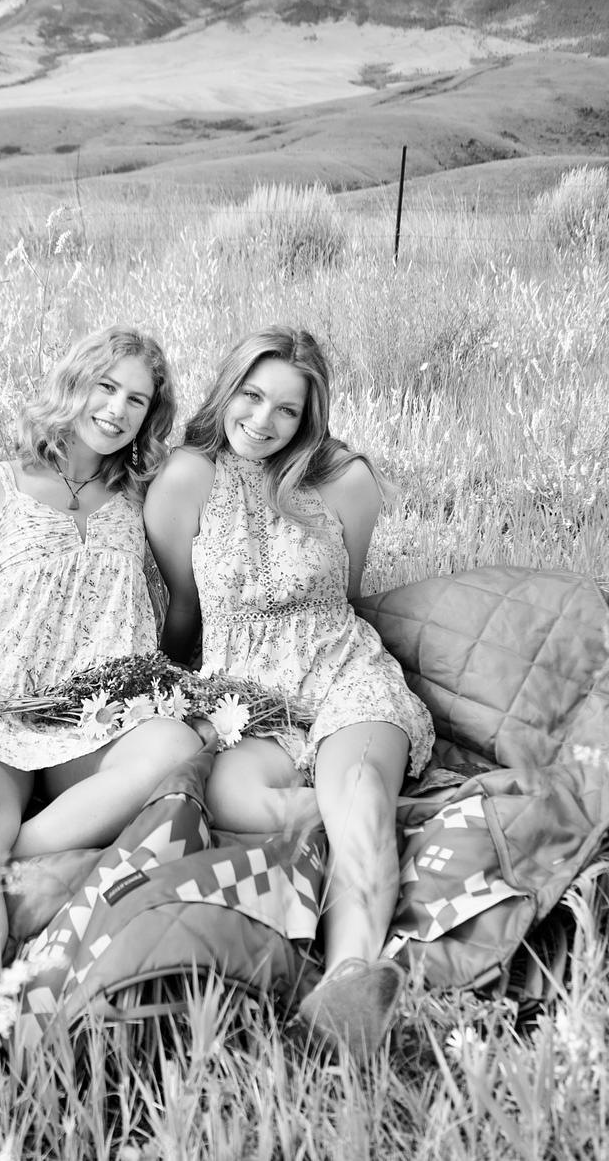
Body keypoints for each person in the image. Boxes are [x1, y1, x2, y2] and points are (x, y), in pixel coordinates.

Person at [143, 326, 434, 1054]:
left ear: (310, 417)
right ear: (227, 389)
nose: (263, 420)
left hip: (343, 673)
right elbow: (184, 609)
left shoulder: (346, 482)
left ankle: (350, 981)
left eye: (287, 408)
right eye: (251, 395)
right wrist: (162, 699)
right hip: (248, 699)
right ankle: (364, 831)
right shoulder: (187, 478)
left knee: (357, 784)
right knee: (232, 798)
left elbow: (347, 595)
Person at [0, 326, 202, 984]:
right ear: (73, 383)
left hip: (91, 713)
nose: (116, 409)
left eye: (137, 400)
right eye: (106, 387)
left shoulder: (145, 497)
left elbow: (185, 591)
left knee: (175, 747)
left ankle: (5, 853)